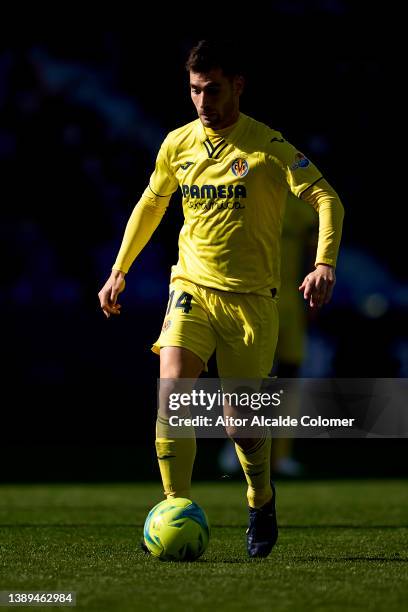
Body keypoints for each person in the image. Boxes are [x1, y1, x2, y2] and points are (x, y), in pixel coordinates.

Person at [98, 39, 344, 558]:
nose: (202, 101)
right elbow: (151, 203)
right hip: (191, 288)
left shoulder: (268, 148)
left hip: (252, 303)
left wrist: (324, 263)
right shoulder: (177, 144)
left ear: (238, 84)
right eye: (193, 90)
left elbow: (327, 198)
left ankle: (261, 497)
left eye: (211, 89)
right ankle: (175, 508)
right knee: (173, 396)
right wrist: (119, 269)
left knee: (240, 424)